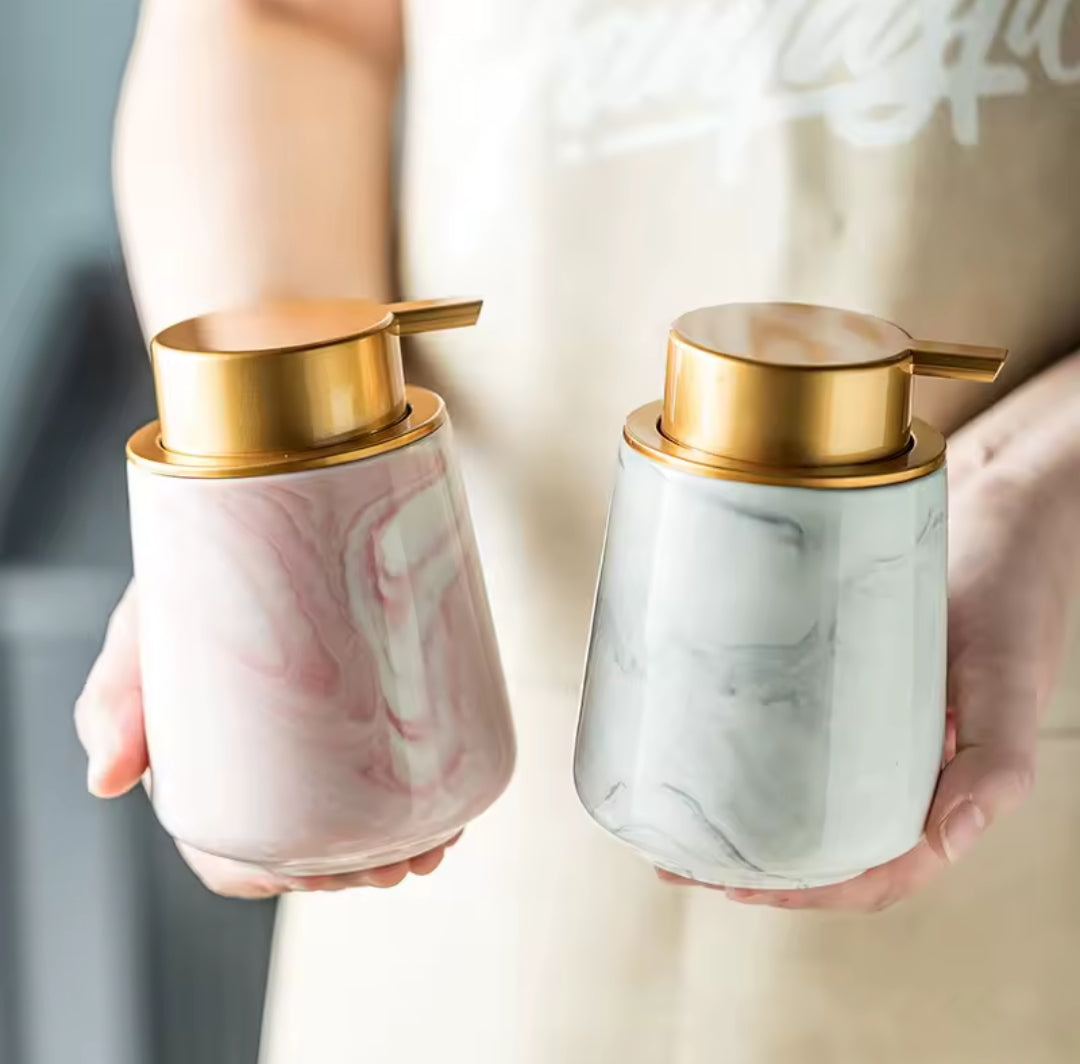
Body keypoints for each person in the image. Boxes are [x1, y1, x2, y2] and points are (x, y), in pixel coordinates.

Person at [76, 0, 1080, 1060]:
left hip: (1025, 766)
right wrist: (278, 480)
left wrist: (1041, 475)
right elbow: (281, 18)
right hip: (446, 783)